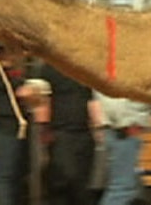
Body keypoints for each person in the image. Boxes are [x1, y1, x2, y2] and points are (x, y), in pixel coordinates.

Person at [0, 43, 47, 205]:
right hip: (6, 129)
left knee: (13, 174)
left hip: (12, 128)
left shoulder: (10, 74)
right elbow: (25, 93)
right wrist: (38, 92)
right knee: (4, 176)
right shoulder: (0, 73)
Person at [38, 62, 103, 205]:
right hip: (61, 133)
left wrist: (98, 128)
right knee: (63, 182)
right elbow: (43, 101)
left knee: (82, 185)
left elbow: (90, 97)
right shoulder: (49, 68)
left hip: (83, 133)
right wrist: (45, 128)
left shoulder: (83, 67)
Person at [95, 93, 151, 205]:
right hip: (125, 126)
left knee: (132, 187)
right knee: (124, 188)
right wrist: (128, 120)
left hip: (120, 124)